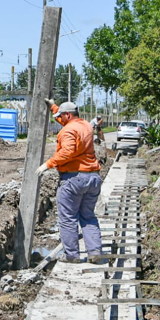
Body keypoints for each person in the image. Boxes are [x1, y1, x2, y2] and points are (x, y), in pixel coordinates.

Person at [36, 100, 103, 262]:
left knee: (67, 218)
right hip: (93, 177)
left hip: (74, 179)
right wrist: (53, 107)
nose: (60, 119)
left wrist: (47, 165)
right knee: (88, 216)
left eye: (62, 116)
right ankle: (95, 252)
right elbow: (66, 122)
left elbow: (67, 152)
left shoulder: (68, 131)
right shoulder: (86, 125)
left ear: (68, 115)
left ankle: (72, 255)